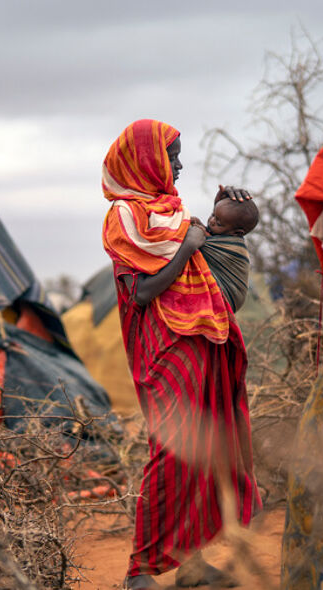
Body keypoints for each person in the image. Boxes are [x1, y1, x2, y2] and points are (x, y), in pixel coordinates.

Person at [101, 119, 261, 590]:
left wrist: (224, 214)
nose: (180, 165)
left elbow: (211, 262)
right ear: (148, 161)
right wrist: (187, 246)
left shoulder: (173, 211)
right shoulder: (125, 217)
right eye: (172, 157)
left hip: (203, 342)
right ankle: (141, 570)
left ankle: (191, 563)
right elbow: (143, 292)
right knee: (171, 453)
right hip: (164, 347)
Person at [196, 189, 259, 312]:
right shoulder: (221, 232)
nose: (211, 221)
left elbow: (201, 241)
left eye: (218, 223)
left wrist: (197, 229)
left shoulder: (234, 249)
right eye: (213, 214)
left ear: (237, 233)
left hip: (226, 298)